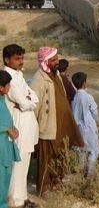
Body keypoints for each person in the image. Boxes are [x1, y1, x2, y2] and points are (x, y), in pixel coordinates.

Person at [30, 47, 84, 196]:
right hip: (48, 126)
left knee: (61, 154)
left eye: (57, 59)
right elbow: (34, 105)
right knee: (46, 158)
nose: (57, 62)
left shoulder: (57, 75)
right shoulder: (39, 79)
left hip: (62, 124)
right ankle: (43, 190)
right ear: (45, 62)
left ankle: (57, 182)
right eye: (53, 60)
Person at [2, 44, 39, 208]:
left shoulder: (19, 76)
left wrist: (29, 100)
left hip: (27, 124)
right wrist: (28, 101)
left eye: (22, 58)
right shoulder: (6, 78)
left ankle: (22, 198)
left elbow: (34, 98)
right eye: (17, 59)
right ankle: (15, 201)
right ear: (6, 59)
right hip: (18, 125)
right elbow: (24, 102)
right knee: (17, 165)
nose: (21, 62)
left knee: (24, 163)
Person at [71, 72, 99, 175]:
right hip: (89, 127)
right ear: (84, 84)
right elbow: (94, 111)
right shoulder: (88, 97)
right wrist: (97, 121)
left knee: (81, 151)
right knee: (94, 150)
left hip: (78, 128)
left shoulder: (74, 98)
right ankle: (90, 173)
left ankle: (80, 171)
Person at [0, 71, 20, 208]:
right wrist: (7, 129)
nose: (10, 87)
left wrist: (12, 128)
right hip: (1, 149)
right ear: (1, 87)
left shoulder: (2, 101)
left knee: (5, 178)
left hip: (5, 147)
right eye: (8, 85)